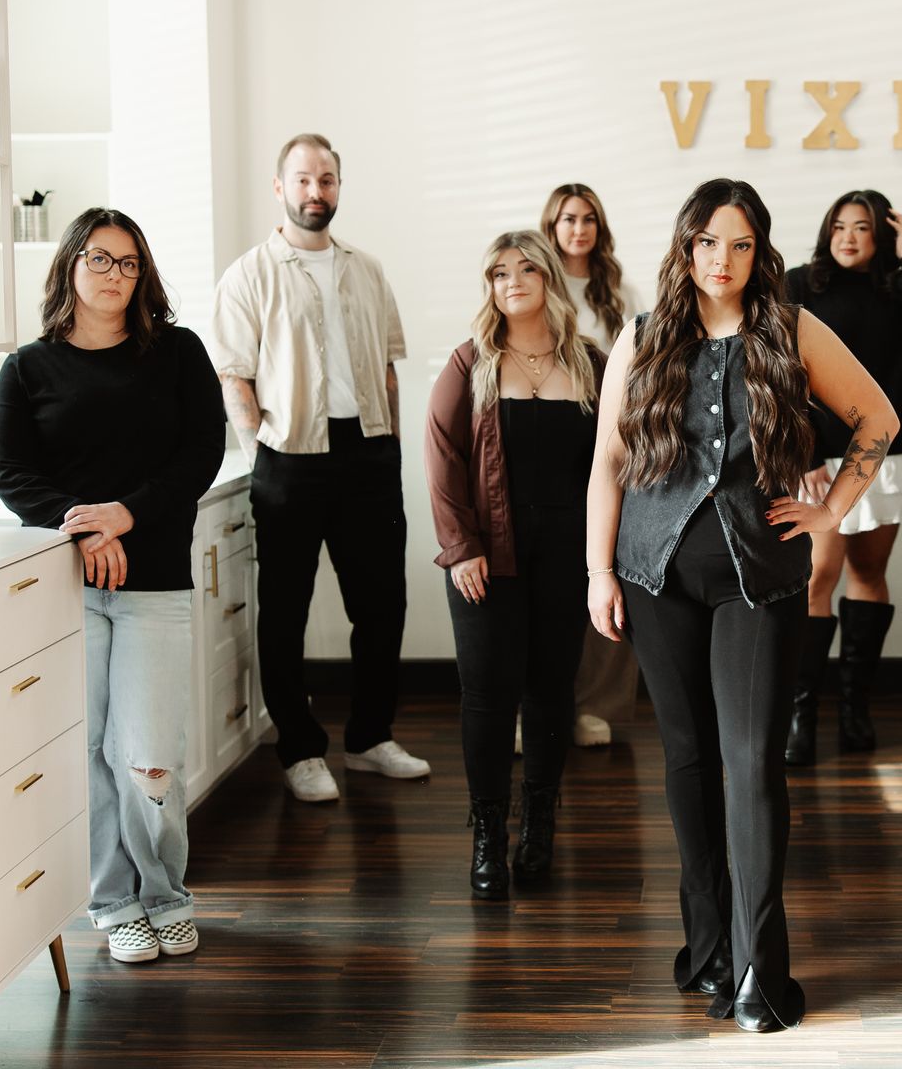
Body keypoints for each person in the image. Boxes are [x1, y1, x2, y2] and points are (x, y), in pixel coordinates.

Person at [585, 178, 897, 1033]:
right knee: (686, 759)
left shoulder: (789, 328)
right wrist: (597, 573)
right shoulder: (641, 338)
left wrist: (831, 509)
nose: (722, 261)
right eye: (707, 243)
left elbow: (879, 415)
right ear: (685, 247)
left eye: (741, 245)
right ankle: (710, 949)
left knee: (752, 761)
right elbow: (608, 465)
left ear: (761, 253)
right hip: (654, 576)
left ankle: (760, 971)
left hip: (757, 576)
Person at [0, 209, 225, 964]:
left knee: (150, 755)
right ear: (70, 265)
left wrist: (127, 514)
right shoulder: (28, 368)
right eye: (100, 258)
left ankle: (167, 896)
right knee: (88, 750)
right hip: (66, 585)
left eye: (129, 263)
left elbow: (201, 454)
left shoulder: (178, 353)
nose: (115, 274)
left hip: (156, 579)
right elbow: (11, 470)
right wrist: (82, 527)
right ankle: (115, 902)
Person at [211, 132, 427, 803]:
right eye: (303, 179)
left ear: (339, 187)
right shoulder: (250, 273)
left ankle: (368, 739)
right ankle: (300, 750)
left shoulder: (366, 269)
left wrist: (389, 444)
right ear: (280, 188)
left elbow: (388, 366)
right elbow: (234, 375)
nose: (316, 191)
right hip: (289, 458)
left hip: (367, 452)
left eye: (327, 179)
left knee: (383, 604)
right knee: (284, 613)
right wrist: (259, 455)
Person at [427, 231, 604, 899]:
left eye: (527, 268)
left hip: (568, 555)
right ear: (489, 287)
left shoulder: (591, 364)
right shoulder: (469, 362)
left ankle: (539, 824)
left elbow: (618, 463)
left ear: (551, 278)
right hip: (486, 559)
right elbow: (442, 462)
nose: (513, 280)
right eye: (499, 272)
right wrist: (461, 547)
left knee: (553, 690)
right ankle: (486, 834)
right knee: (488, 696)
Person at [782, 188, 902, 766]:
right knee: (816, 579)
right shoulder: (801, 286)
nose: (848, 237)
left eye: (862, 228)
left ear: (881, 234)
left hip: (886, 452)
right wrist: (802, 449)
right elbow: (781, 373)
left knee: (868, 572)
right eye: (839, 227)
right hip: (820, 457)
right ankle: (801, 713)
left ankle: (856, 707)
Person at [541, 182, 642, 748]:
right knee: (553, 578)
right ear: (551, 225)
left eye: (587, 219)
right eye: (567, 219)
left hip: (611, 441)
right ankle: (540, 703)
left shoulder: (620, 291)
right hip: (553, 438)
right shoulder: (535, 283)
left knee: (613, 569)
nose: (578, 229)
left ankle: (596, 707)